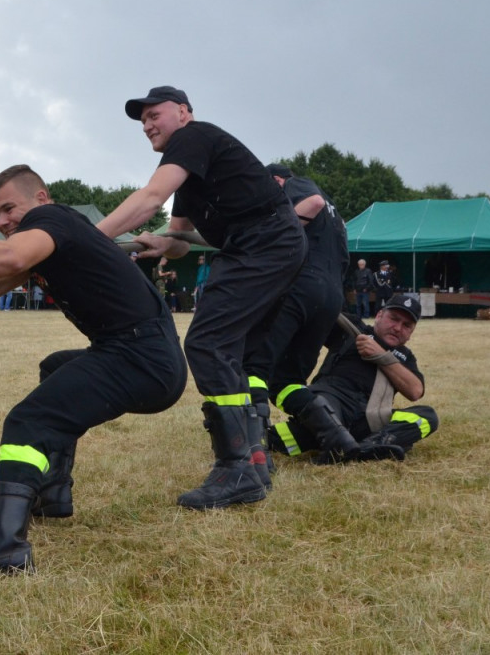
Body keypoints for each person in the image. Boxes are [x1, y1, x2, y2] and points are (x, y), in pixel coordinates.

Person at [0, 164, 187, 573]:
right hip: (140, 355)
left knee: (29, 420)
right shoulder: (47, 242)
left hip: (141, 356)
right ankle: (53, 491)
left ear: (41, 199)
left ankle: (3, 547)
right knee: (56, 368)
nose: (1, 221)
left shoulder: (53, 220)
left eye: (9, 208)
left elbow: (11, 255)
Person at [96, 86, 307, 510]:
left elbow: (150, 198)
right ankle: (255, 460)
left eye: (155, 115)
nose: (148, 125)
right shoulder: (189, 170)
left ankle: (239, 469)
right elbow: (179, 241)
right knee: (226, 348)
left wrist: (86, 240)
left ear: (184, 113)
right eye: (143, 121)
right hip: (258, 246)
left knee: (207, 344)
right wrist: (160, 244)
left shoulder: (194, 138)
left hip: (265, 241)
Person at [241, 163, 352, 480]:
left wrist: (274, 232)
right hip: (330, 297)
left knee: (254, 367)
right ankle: (336, 437)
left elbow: (311, 204)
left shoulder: (298, 185)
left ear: (276, 180)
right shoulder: (338, 218)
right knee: (287, 380)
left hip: (298, 287)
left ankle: (255, 451)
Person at [268, 295, 438, 462]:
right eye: (394, 319)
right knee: (282, 435)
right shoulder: (353, 329)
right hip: (330, 401)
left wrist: (381, 355)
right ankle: (341, 441)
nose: (398, 328)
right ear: (379, 315)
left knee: (427, 417)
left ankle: (370, 445)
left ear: (411, 333)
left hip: (368, 419)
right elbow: (318, 313)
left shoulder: (405, 357)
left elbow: (415, 391)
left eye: (406, 325)